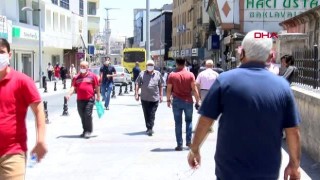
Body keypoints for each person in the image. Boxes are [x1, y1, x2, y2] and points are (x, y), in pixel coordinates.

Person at [188, 30, 301, 180]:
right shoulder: (282, 87)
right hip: (267, 171)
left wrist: (195, 149)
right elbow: (293, 131)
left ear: (242, 53)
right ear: (270, 56)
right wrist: (295, 164)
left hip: (229, 171)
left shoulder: (224, 81)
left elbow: (206, 121)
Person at [0, 38, 47, 179]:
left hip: (12, 153)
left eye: (1, 52)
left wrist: (40, 140)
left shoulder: (22, 81)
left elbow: (39, 110)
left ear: (9, 54)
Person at [167, 58, 200, 151]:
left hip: (176, 101)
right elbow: (194, 89)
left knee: (178, 123)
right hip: (188, 101)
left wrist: (168, 100)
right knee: (189, 121)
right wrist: (197, 100)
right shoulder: (190, 75)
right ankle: (189, 142)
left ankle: (179, 144)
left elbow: (169, 89)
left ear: (176, 64)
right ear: (185, 63)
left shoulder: (172, 75)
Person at [65, 61, 100, 139]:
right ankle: (85, 130)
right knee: (82, 116)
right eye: (81, 66)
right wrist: (68, 94)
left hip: (89, 99)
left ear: (87, 67)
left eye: (84, 67)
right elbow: (73, 87)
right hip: (80, 99)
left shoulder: (93, 76)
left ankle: (88, 131)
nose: (82, 68)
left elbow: (97, 87)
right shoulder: (76, 77)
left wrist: (98, 96)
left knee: (87, 115)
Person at [135, 60, 164, 136]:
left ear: (154, 66)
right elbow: (137, 83)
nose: (150, 66)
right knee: (146, 113)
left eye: (151, 65)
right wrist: (136, 94)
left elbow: (161, 85)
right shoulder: (142, 74)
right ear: (146, 66)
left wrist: (161, 96)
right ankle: (148, 127)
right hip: (144, 98)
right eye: (148, 65)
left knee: (152, 113)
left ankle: (150, 128)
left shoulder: (158, 74)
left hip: (154, 98)